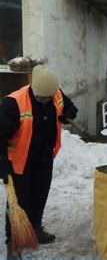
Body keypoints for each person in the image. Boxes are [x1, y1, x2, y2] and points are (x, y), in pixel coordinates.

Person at [0, 65, 78, 258]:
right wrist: (3, 165)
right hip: (20, 161)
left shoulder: (54, 93)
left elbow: (69, 106)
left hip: (44, 157)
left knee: (40, 194)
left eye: (48, 98)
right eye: (41, 98)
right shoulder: (14, 103)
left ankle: (35, 227)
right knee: (18, 201)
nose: (45, 101)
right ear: (33, 89)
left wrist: (68, 114)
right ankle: (13, 242)